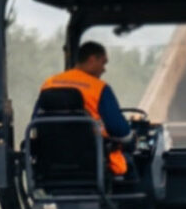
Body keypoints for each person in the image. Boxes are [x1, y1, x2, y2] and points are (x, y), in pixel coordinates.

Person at [39, 41, 132, 174]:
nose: (104, 69)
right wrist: (131, 137)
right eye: (103, 63)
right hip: (91, 166)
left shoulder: (49, 84)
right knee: (131, 165)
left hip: (49, 165)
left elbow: (37, 120)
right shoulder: (99, 88)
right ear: (92, 59)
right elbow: (120, 130)